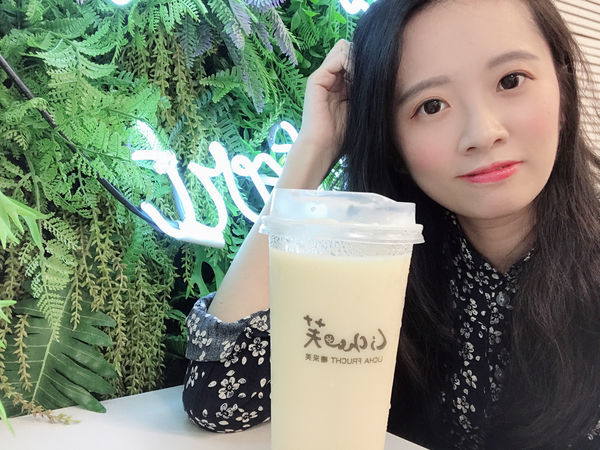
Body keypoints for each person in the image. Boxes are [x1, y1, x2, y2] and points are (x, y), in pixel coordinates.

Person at [181, 0, 600, 448]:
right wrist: (314, 148)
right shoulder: (379, 267)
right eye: (432, 105)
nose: (482, 133)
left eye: (510, 80)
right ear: (395, 144)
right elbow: (219, 398)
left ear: (563, 92)